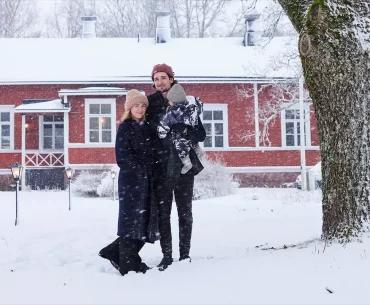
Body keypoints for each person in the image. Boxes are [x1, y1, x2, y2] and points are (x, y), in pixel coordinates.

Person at [146, 63, 206, 271]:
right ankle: (167, 255)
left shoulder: (186, 101)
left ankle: (185, 254)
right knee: (163, 212)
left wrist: (185, 132)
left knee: (185, 211)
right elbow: (149, 135)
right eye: (156, 79)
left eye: (163, 77)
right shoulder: (150, 103)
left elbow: (201, 134)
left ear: (171, 78)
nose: (159, 82)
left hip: (183, 166)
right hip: (161, 166)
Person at [99, 89, 159, 276]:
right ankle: (129, 264)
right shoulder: (125, 127)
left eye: (142, 105)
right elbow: (123, 157)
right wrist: (142, 171)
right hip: (132, 182)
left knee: (143, 223)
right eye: (136, 105)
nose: (140, 109)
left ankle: (115, 253)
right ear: (129, 108)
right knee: (131, 223)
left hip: (147, 181)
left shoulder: (148, 126)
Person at [158, 83, 204, 174]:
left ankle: (187, 163)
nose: (168, 102)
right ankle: (199, 152)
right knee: (195, 145)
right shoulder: (193, 108)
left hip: (181, 138)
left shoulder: (173, 113)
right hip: (192, 137)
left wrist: (161, 133)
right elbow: (199, 107)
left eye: (170, 101)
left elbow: (164, 125)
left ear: (174, 102)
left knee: (182, 149)